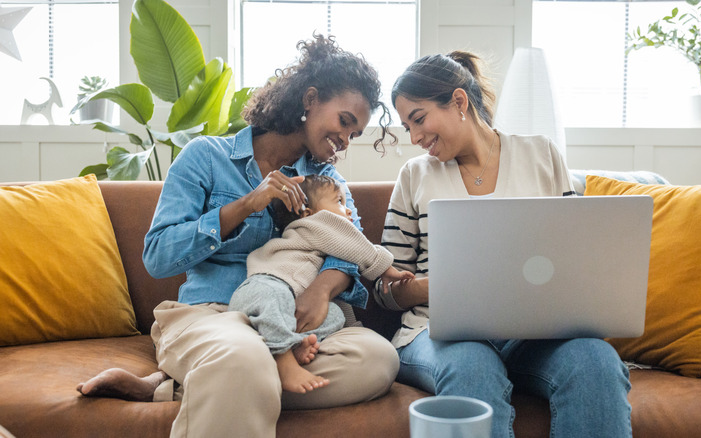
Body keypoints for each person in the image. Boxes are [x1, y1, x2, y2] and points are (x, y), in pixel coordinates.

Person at [77, 34, 400, 438]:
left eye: (354, 134)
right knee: (244, 359)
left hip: (289, 324)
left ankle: (176, 389)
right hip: (210, 314)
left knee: (377, 359)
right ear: (310, 99)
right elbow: (158, 256)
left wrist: (318, 291)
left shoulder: (327, 182)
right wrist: (247, 204)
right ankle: (235, 373)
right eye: (344, 122)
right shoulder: (206, 157)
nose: (345, 142)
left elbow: (347, 250)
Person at [374, 51, 632, 437]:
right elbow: (384, 290)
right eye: (407, 127)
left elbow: (575, 257)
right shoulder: (414, 175)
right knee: (472, 366)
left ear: (459, 102)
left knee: (595, 360)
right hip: (437, 334)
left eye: (419, 119)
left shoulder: (541, 153)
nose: (414, 137)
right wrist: (440, 286)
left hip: (536, 335)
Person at [228, 174, 414, 394]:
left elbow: (342, 287)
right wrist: (385, 267)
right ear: (308, 213)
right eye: (339, 202)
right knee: (274, 297)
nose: (348, 211)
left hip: (289, 309)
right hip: (263, 288)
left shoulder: (322, 241)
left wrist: (351, 325)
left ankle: (294, 343)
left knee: (335, 315)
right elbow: (352, 242)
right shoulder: (311, 225)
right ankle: (283, 361)